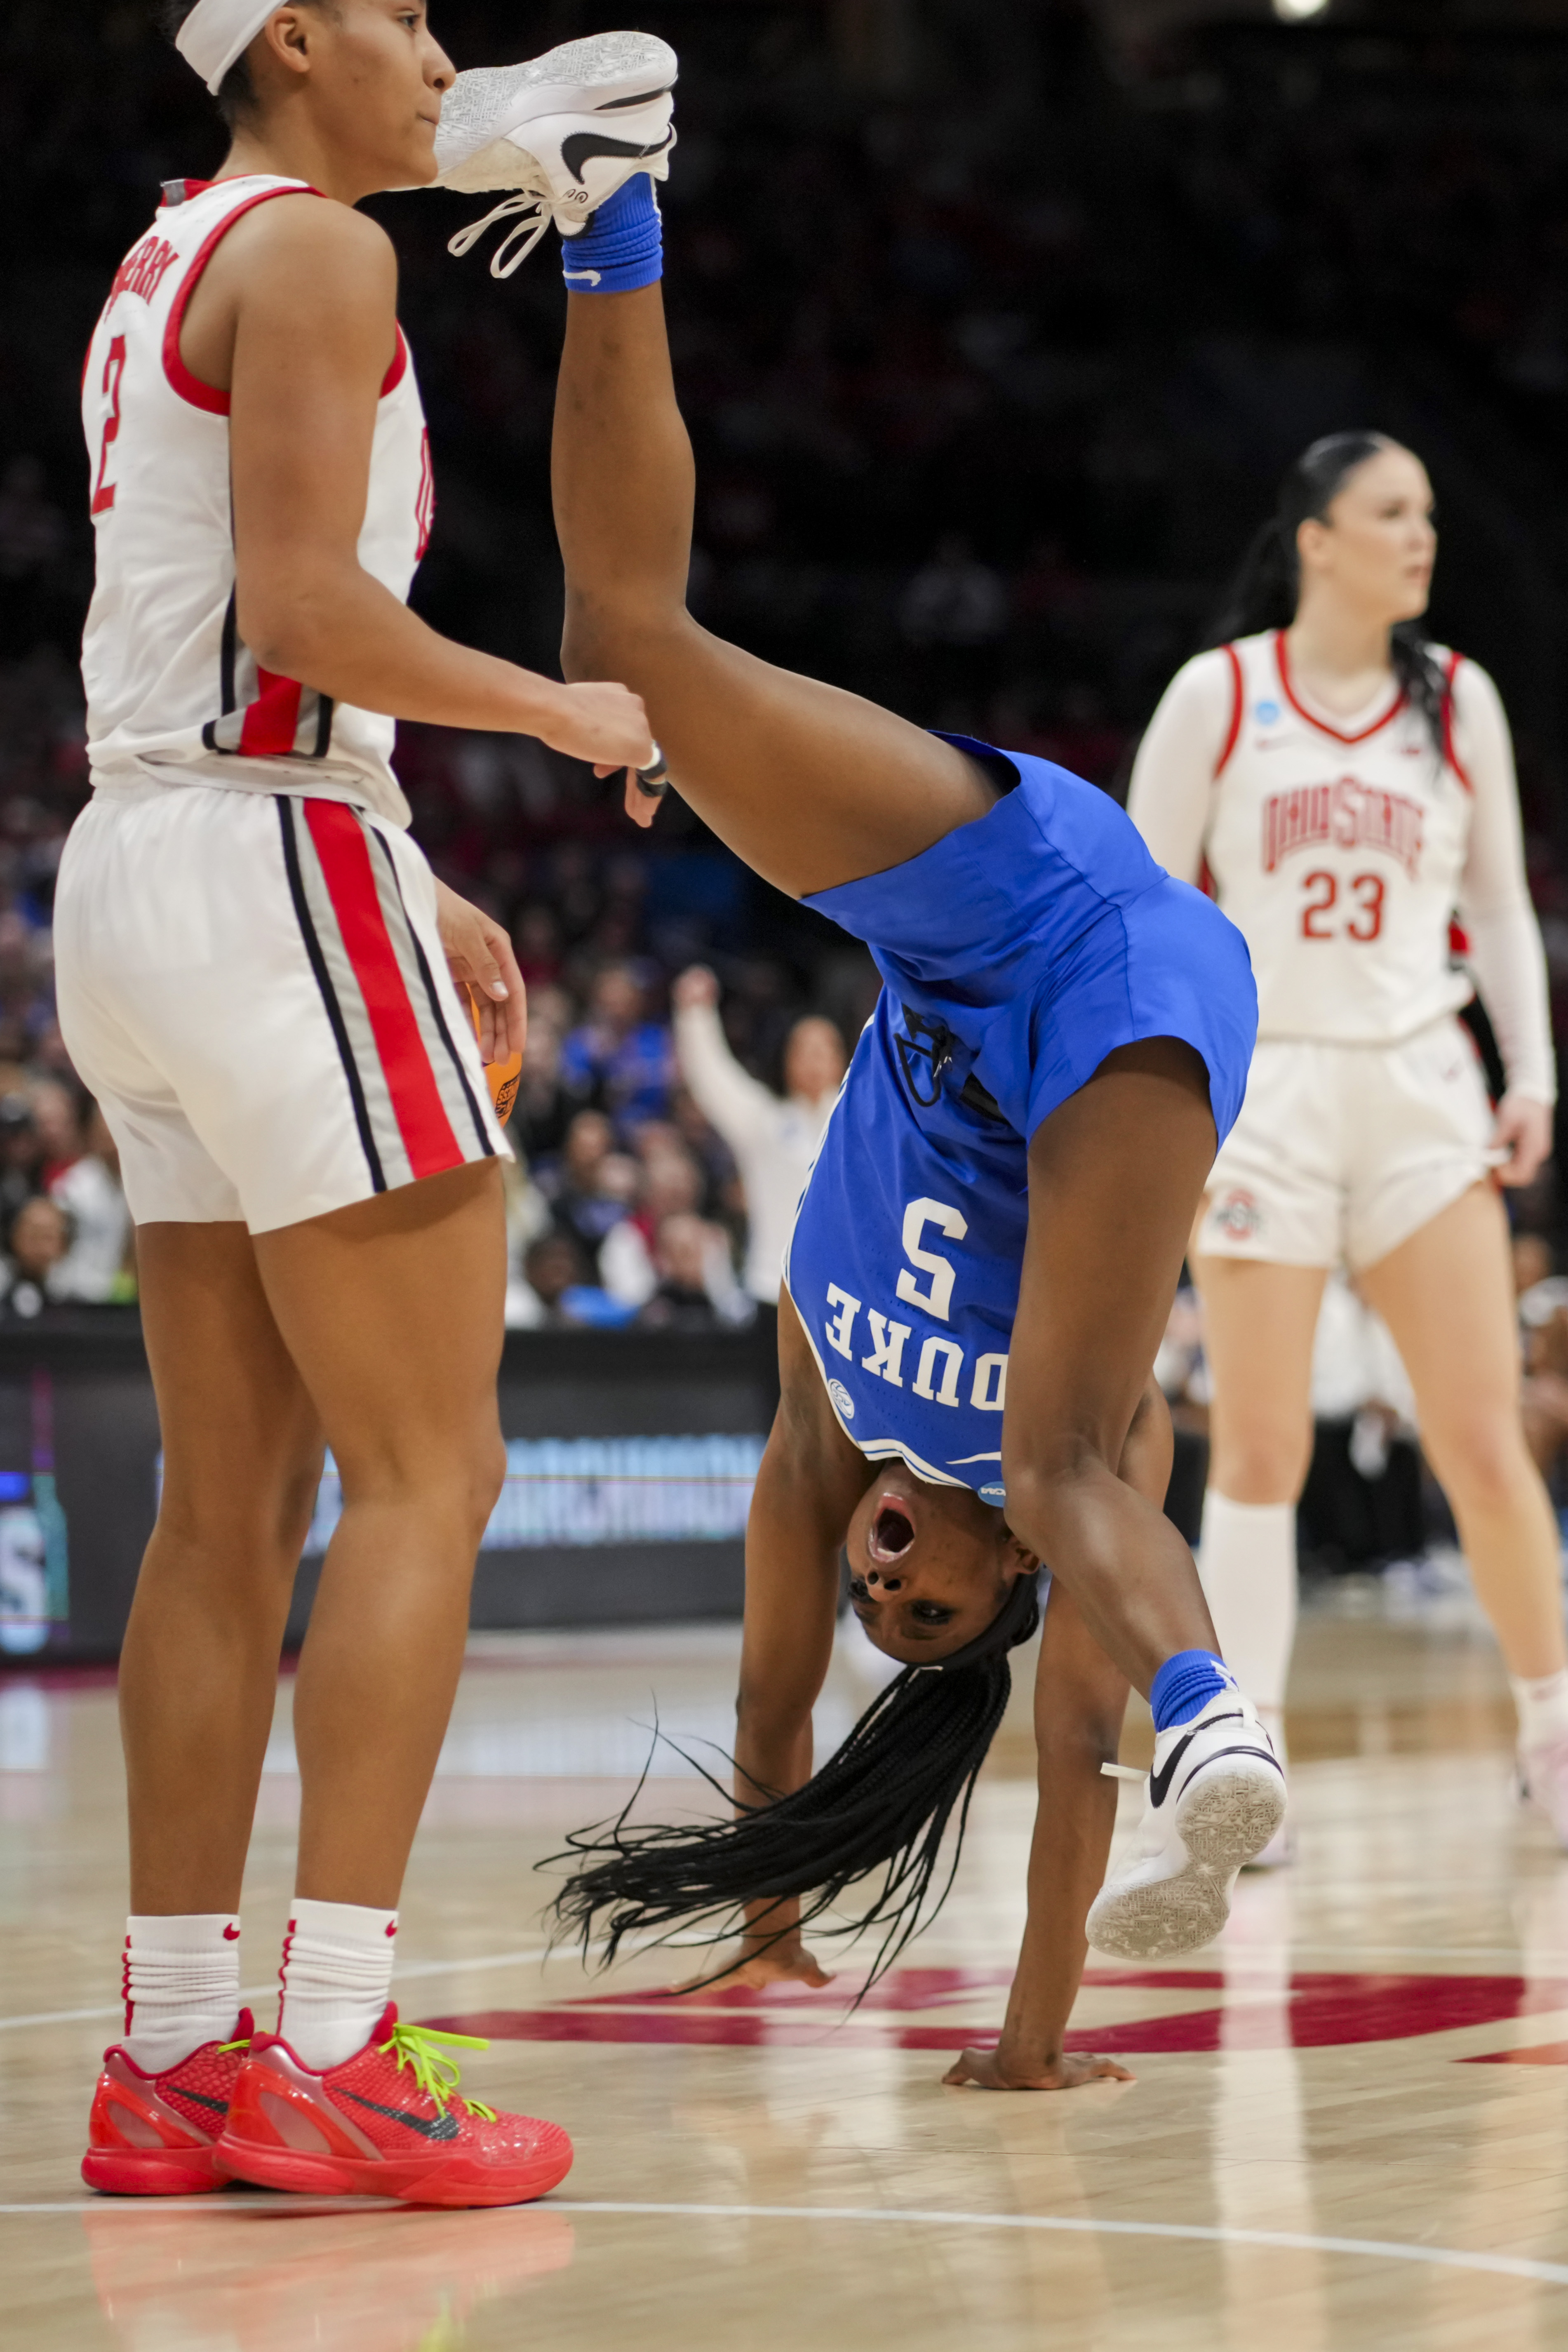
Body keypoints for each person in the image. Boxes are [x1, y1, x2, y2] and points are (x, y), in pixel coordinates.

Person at [446, 70, 1284, 2089]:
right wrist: (1030, 2042)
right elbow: (1052, 1771)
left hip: (960, 941)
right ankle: (1212, 1712)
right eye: (924, 1607)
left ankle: (612, 196)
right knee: (1081, 1457)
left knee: (622, 644)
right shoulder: (1047, 1511)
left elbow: (763, 1709)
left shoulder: (820, 1408)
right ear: (1003, 1594)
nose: (882, 1570)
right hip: (1093, 961)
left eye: (874, 1595)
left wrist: (760, 1923)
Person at [73, 5, 663, 2203]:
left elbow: (217, 619)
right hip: (262, 850)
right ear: (291, 37)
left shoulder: (170, 252)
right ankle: (333, 2037)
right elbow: (312, 613)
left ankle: (170, 2056)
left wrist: (412, 866)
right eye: (406, 16)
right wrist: (561, 706)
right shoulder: (321, 251)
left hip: (139, 872)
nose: (442, 51)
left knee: (222, 1510)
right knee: (434, 1466)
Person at [1126, 432, 1564, 1853]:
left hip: (1421, 1087)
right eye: (1391, 512)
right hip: (1267, 1091)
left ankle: (1553, 1731)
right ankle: (1242, 1770)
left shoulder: (1459, 702)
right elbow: (1139, 897)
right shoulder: (1223, 693)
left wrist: (1531, 1071)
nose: (1420, 535)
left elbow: (1498, 909)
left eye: (1430, 512)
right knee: (1256, 1451)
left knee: (1482, 1442)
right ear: (1315, 535)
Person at [672, 965, 847, 1306]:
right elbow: (713, 1079)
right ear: (787, 1060)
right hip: (772, 1291)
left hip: (839, 1298)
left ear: (841, 1060)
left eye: (823, 1048)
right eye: (803, 1048)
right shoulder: (765, 1123)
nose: (813, 1058)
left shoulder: (857, 1127)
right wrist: (695, 1014)